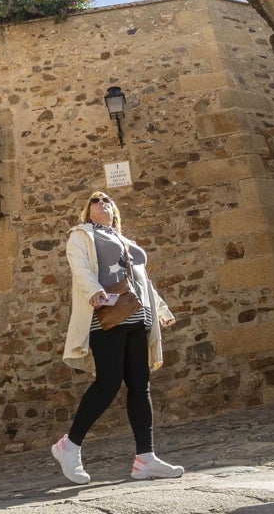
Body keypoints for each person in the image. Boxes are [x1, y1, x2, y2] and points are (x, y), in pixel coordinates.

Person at [51, 191, 184, 484]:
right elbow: (80, 268)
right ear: (87, 211)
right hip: (107, 317)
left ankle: (145, 458)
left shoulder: (126, 241)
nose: (103, 203)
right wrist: (93, 290)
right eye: (96, 201)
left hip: (139, 319)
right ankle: (69, 446)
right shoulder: (82, 235)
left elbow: (141, 280)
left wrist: (161, 308)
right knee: (108, 383)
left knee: (140, 386)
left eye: (107, 200)